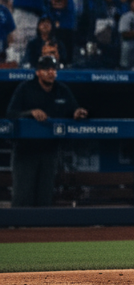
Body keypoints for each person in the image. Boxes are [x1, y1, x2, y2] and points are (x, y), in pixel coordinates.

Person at [5, 55, 88, 206]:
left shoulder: (61, 90)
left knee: (44, 198)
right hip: (26, 151)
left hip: (50, 151)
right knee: (22, 197)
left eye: (53, 69)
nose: (51, 72)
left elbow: (73, 109)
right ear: (38, 72)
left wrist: (77, 113)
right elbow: (11, 113)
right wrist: (30, 112)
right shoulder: (25, 88)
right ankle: (20, 222)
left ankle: (41, 222)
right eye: (46, 69)